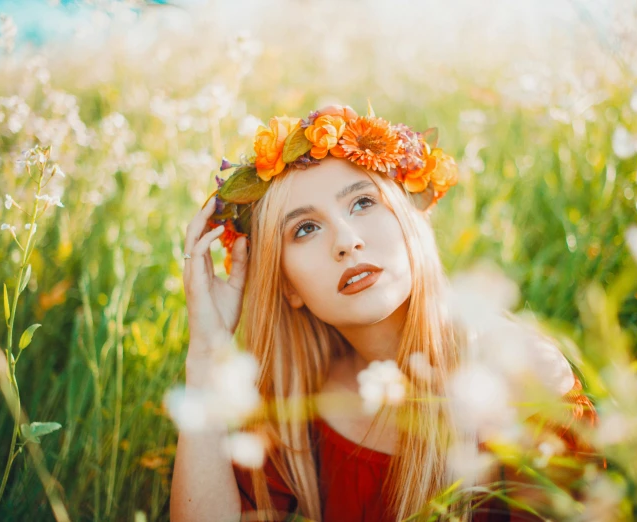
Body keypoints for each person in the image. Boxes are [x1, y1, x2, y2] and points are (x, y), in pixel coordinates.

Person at [171, 104, 598, 522]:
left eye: (362, 203)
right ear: (286, 286)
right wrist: (207, 355)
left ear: (408, 218)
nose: (346, 240)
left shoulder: (520, 372)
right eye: (305, 228)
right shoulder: (302, 403)